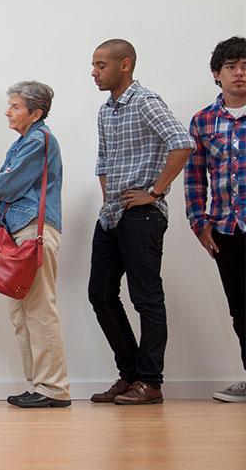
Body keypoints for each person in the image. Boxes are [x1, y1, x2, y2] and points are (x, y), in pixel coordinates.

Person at [88, 39, 194, 405]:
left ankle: (150, 382)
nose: (94, 72)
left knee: (146, 298)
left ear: (125, 65)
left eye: (101, 65)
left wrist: (155, 191)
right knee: (100, 293)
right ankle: (131, 374)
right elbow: (103, 161)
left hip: (143, 215)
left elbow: (182, 143)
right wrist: (108, 202)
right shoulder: (105, 110)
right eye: (94, 65)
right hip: (113, 215)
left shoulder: (146, 101)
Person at [0, 82, 71, 407]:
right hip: (21, 231)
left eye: (16, 106)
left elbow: (1, 186)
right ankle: (38, 384)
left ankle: (54, 388)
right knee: (22, 313)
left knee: (39, 310)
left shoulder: (38, 141)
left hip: (34, 231)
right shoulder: (24, 142)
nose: (8, 112)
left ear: (36, 113)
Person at [184, 36, 246, 403]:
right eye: (231, 66)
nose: (240, 73)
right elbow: (194, 176)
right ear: (216, 74)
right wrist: (199, 222)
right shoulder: (203, 121)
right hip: (226, 227)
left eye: (245, 67)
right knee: (240, 309)